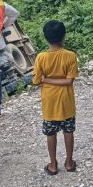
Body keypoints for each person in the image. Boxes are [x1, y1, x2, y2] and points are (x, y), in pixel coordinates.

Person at [32, 20, 79, 175]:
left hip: (49, 102)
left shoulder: (41, 57)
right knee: (68, 131)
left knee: (50, 133)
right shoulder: (70, 56)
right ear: (64, 36)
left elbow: (37, 80)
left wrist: (46, 79)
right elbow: (69, 80)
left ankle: (53, 165)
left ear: (46, 37)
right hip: (66, 101)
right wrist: (58, 80)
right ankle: (69, 162)